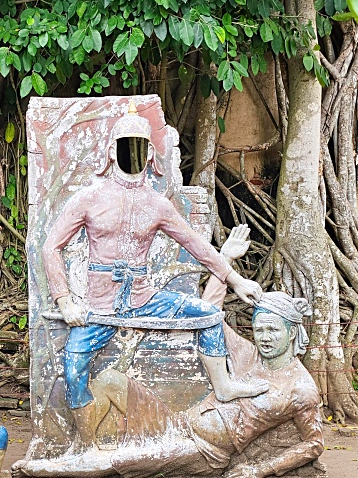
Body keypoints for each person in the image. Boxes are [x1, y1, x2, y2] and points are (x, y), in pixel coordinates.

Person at [16, 225, 324, 478]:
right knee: (109, 380)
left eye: (273, 331)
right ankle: (82, 448)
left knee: (123, 458)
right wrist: (225, 260)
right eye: (260, 329)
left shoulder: (301, 388)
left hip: (204, 450)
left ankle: (48, 470)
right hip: (177, 424)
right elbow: (209, 316)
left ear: (293, 332)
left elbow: (313, 444)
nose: (265, 338)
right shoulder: (249, 354)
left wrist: (259, 469)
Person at [42, 103, 268, 449]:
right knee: (74, 364)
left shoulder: (158, 204)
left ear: (149, 154)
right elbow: (50, 247)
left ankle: (223, 386)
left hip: (145, 298)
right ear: (111, 152)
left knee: (208, 314)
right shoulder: (89, 198)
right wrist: (64, 299)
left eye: (138, 146)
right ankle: (85, 444)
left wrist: (236, 281)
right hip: (100, 305)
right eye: (124, 145)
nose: (131, 153)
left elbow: (197, 246)